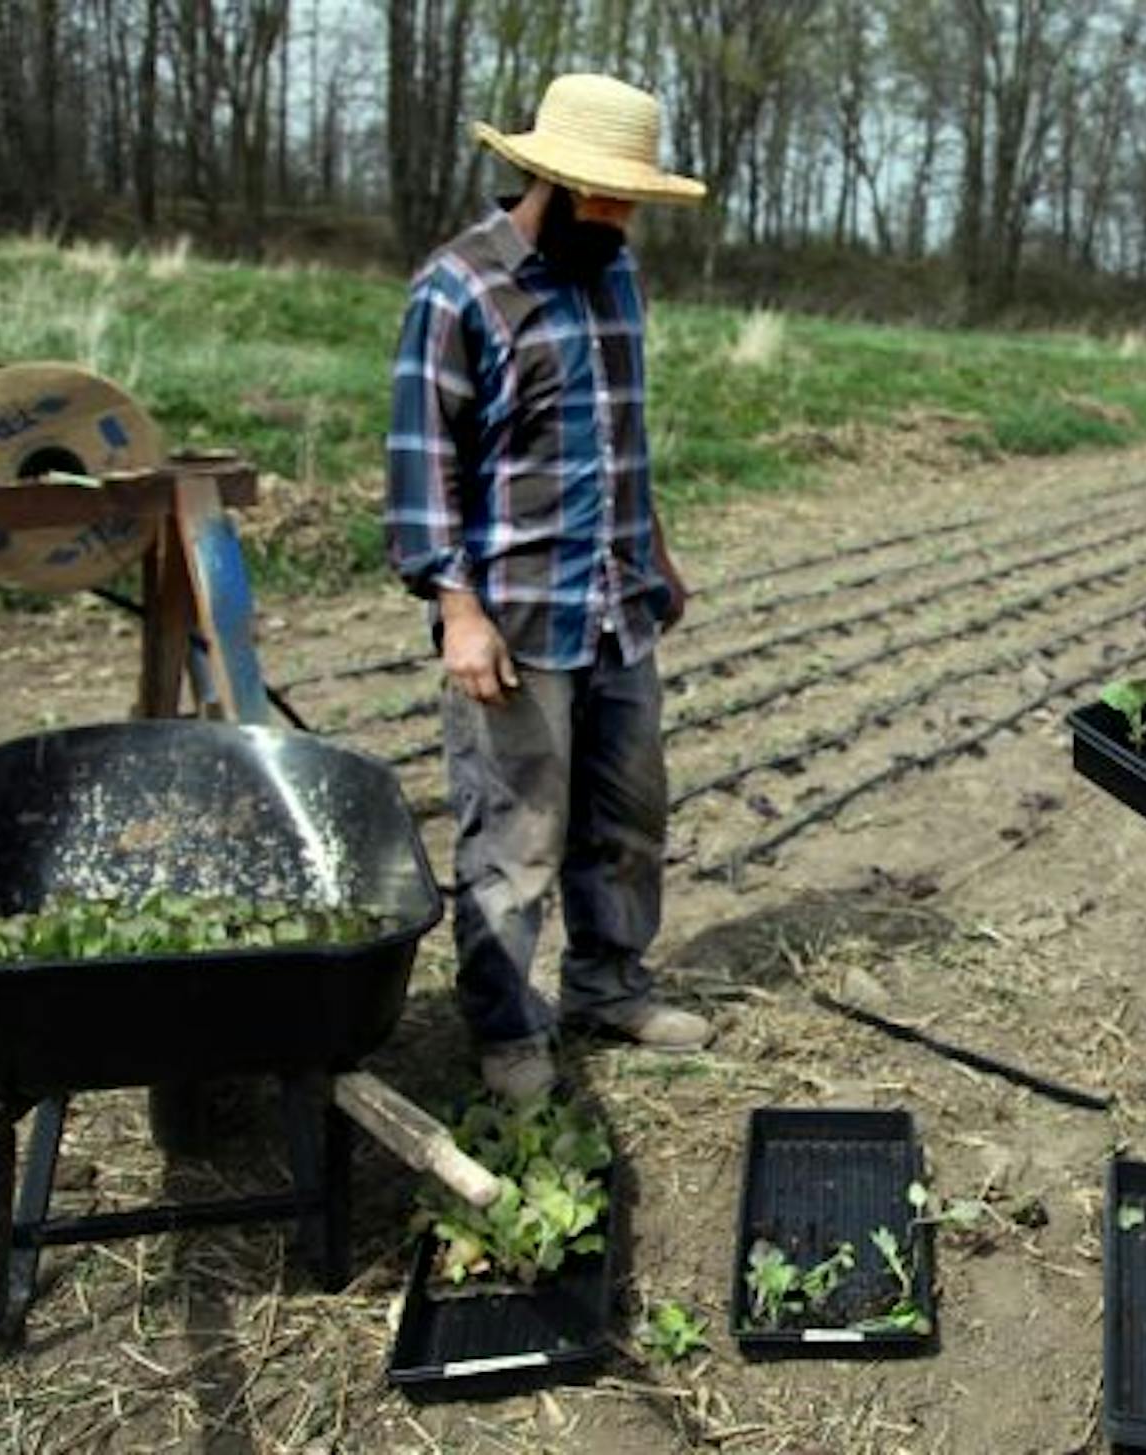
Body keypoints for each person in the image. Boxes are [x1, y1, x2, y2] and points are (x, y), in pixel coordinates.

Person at [385, 73, 716, 1101]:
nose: (621, 219)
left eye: (632, 201)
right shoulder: (459, 289)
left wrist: (657, 554)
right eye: (607, 198)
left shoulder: (615, 275)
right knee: (514, 837)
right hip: (517, 616)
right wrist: (458, 611)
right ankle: (506, 1029)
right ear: (552, 181)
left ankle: (608, 987)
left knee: (627, 816)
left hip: (618, 602)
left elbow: (622, 439)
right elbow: (422, 464)